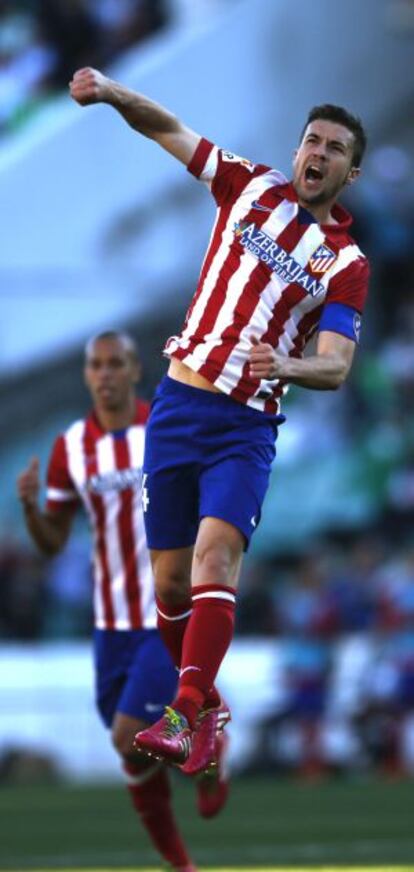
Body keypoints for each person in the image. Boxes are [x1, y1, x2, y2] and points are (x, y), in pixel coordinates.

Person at [69, 68, 370, 770]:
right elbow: (167, 128)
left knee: (214, 559)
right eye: (311, 142)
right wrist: (114, 93)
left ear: (350, 174)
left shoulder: (345, 263)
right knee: (171, 584)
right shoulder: (248, 185)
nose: (317, 155)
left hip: (244, 427)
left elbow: (336, 364)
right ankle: (204, 705)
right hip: (178, 406)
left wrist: (287, 368)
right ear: (297, 150)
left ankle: (182, 711)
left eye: (333, 150)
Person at [17, 331, 229, 872]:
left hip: (163, 613)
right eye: (97, 365)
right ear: (87, 374)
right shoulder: (72, 446)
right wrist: (30, 509)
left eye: (116, 364)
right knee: (128, 752)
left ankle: (204, 743)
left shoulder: (163, 429)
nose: (105, 374)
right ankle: (182, 853)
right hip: (109, 623)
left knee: (126, 735)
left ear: (136, 371)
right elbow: (53, 542)